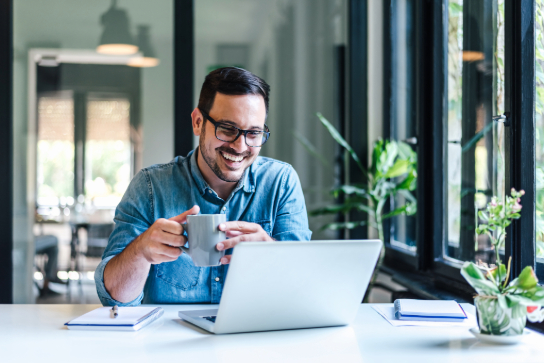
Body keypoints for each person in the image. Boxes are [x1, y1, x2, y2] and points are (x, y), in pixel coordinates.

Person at [95, 67, 312, 306]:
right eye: (228, 129)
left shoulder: (280, 182)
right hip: (168, 341)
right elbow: (114, 299)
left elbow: (304, 290)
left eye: (253, 133)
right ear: (198, 122)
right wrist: (140, 251)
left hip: (253, 340)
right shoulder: (150, 187)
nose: (240, 147)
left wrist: (273, 252)